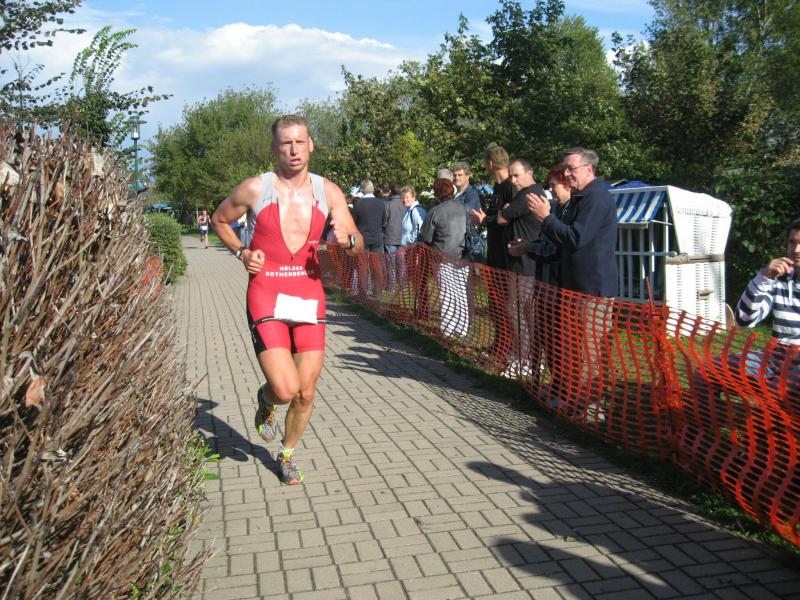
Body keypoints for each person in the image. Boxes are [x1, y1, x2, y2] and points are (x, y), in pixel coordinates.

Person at [211, 114, 363, 485]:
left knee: (305, 392)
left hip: (309, 296)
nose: (293, 150)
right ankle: (266, 401)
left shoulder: (329, 191)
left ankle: (286, 453)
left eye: (299, 142)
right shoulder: (255, 188)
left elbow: (357, 244)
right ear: (274, 148)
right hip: (267, 294)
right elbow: (219, 220)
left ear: (311, 145)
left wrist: (350, 242)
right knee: (284, 388)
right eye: (286, 143)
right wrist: (242, 252)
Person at [527, 148, 618, 409]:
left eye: (571, 168)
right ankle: (575, 397)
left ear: (589, 169)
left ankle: (589, 407)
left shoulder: (596, 197)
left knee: (589, 350)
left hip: (592, 288)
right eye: (565, 168)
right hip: (575, 287)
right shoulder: (581, 198)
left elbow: (576, 238)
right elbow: (563, 241)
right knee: (574, 347)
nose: (566, 173)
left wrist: (546, 218)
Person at [420, 178, 469, 337]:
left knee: (447, 293)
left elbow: (426, 236)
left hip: (443, 256)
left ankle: (448, 328)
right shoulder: (463, 208)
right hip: (463, 256)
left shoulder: (436, 211)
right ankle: (462, 328)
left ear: (437, 193)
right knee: (460, 292)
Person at [452, 161, 484, 262]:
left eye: (460, 175)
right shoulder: (455, 195)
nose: (456, 178)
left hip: (468, 246)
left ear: (467, 177)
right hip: (458, 242)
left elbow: (466, 215)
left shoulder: (472, 194)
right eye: (454, 175)